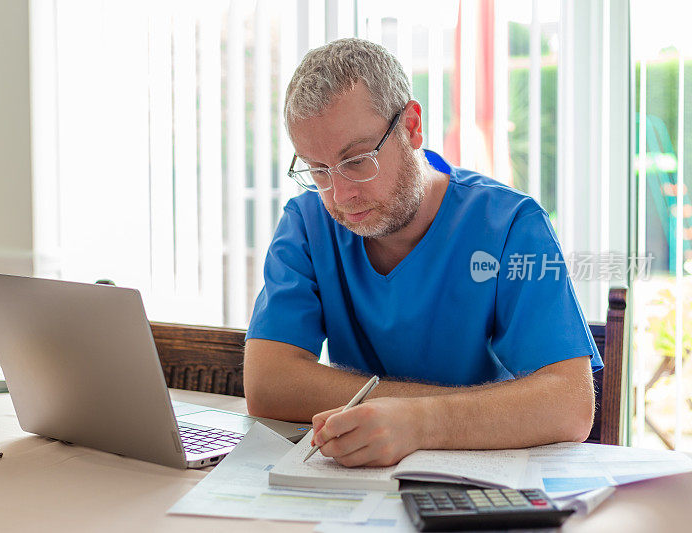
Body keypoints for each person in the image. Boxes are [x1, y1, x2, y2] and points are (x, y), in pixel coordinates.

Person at [243, 38, 602, 468]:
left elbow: (569, 404)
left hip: (482, 481)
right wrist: (466, 411)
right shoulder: (306, 222)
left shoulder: (509, 225)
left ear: (411, 126)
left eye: (357, 160)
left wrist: (419, 422)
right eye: (317, 170)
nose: (339, 196)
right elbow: (267, 386)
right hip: (355, 482)